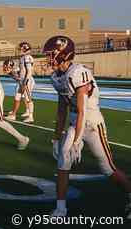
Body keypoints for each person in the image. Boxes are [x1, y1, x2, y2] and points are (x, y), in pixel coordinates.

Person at [43, 35, 131, 218]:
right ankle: (61, 208)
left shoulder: (79, 72)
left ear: (64, 54)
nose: (48, 58)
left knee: (107, 168)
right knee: (63, 160)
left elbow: (83, 111)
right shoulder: (56, 76)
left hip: (91, 123)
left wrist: (76, 141)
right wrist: (56, 137)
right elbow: (61, 110)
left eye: (51, 54)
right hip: (76, 122)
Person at [6, 42, 35, 123]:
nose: (19, 50)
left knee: (28, 98)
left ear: (24, 49)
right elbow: (20, 70)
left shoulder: (27, 57)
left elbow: (29, 71)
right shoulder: (23, 57)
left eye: (21, 48)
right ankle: (13, 115)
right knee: (17, 97)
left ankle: (31, 116)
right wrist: (11, 71)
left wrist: (25, 82)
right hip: (22, 80)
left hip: (27, 80)